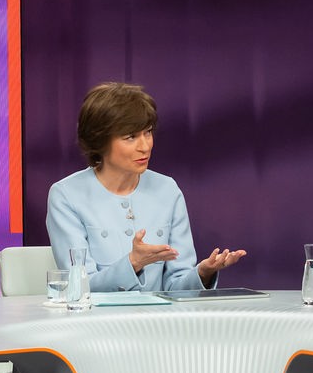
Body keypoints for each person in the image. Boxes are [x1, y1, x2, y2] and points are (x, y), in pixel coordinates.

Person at [46, 82, 246, 294]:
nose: (145, 146)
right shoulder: (66, 196)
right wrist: (133, 263)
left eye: (148, 132)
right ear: (99, 141)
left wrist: (203, 274)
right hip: (97, 317)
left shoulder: (168, 190)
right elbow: (81, 287)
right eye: (131, 137)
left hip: (158, 316)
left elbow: (175, 286)